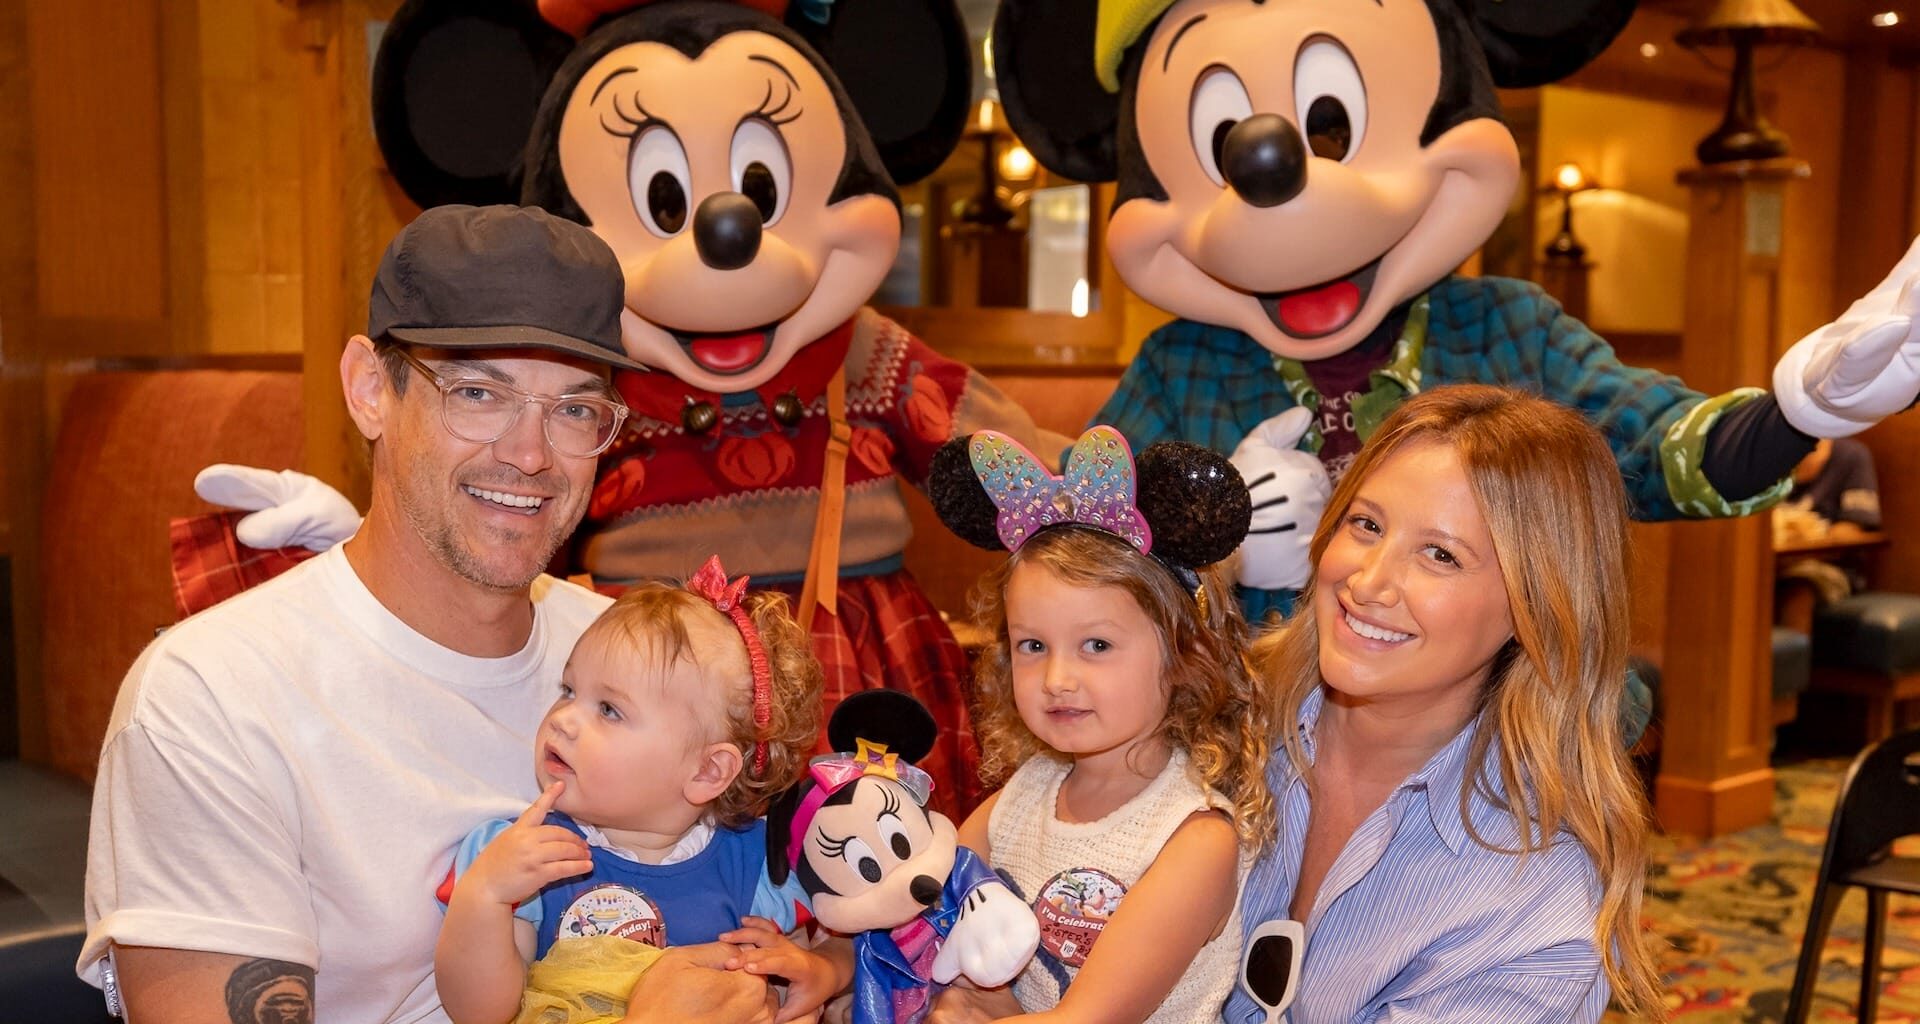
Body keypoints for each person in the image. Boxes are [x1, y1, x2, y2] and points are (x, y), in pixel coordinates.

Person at [80, 204, 781, 1023]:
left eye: (575, 410)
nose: (529, 455)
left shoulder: (629, 664)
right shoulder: (211, 699)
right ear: (371, 390)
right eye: (479, 392)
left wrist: (826, 970)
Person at [1223, 385, 1664, 1023]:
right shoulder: (1211, 719)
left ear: (1535, 611)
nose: (1367, 583)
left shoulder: (1534, 901)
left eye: (1440, 555)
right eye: (1365, 524)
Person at [925, 426, 1276, 1023]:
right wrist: (832, 961)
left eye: (1096, 644)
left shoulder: (1194, 840)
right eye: (1033, 644)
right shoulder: (1025, 794)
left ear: (1184, 657)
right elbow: (920, 903)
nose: (1058, 677)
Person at [435, 556, 847, 1023]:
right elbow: (480, 1012)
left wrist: (824, 970)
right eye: (569, 690)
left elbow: (862, 924)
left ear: (708, 772)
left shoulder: (756, 865)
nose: (563, 719)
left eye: (609, 710)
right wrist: (485, 895)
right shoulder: (527, 854)